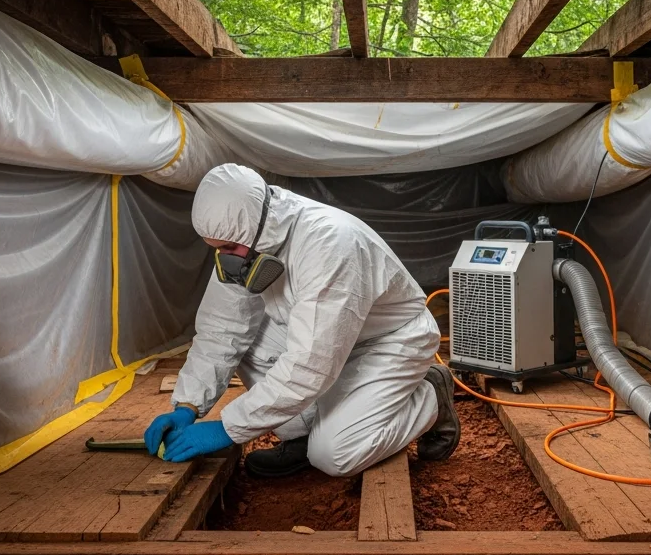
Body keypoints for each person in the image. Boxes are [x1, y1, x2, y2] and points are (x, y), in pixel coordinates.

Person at [143, 164, 460, 478]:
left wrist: (228, 429)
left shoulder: (330, 245)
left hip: (388, 340)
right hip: (326, 340)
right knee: (246, 342)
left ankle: (431, 396)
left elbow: (309, 365)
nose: (225, 257)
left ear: (256, 226)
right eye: (216, 249)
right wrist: (188, 405)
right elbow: (221, 329)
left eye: (227, 248)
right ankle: (302, 437)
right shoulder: (244, 239)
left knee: (335, 454)